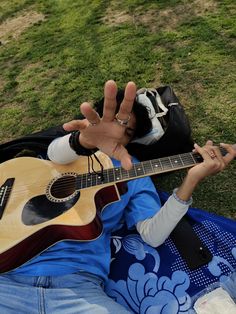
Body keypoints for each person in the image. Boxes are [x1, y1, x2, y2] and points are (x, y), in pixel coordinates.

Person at [0, 80, 235, 314]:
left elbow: (152, 236)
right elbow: (54, 152)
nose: (118, 131)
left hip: (78, 288)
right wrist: (81, 141)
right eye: (112, 121)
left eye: (128, 130)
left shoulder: (132, 169)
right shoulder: (69, 148)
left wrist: (191, 180)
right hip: (7, 277)